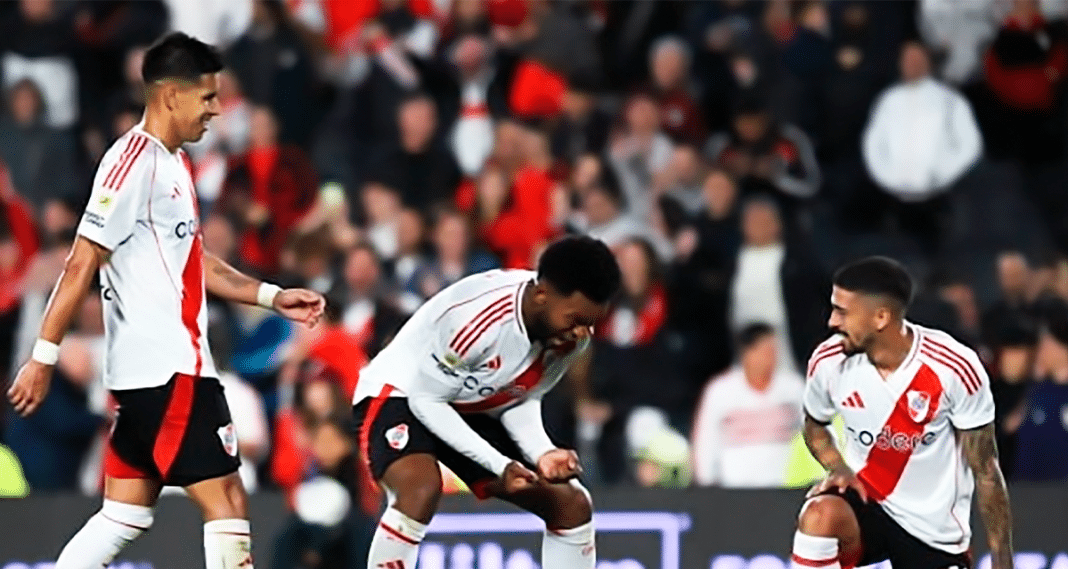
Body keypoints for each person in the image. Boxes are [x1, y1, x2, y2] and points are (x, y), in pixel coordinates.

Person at [6, 32, 324, 569]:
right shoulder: (132, 163)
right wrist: (43, 357)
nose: (217, 110)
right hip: (170, 371)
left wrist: (270, 295)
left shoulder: (173, 164)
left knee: (123, 514)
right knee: (227, 499)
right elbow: (81, 261)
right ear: (171, 95)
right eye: (206, 97)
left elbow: (193, 260)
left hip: (152, 375)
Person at [352, 235, 621, 569]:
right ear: (541, 295)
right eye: (575, 320)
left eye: (590, 324)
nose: (582, 334)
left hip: (468, 402)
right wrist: (498, 465)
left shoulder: (568, 339)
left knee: (572, 504)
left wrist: (543, 453)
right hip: (403, 392)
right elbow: (427, 401)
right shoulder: (476, 319)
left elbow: (520, 397)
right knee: (420, 489)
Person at [793, 256, 1013, 569]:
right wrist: (837, 466)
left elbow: (986, 470)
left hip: (933, 531)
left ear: (881, 317)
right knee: (819, 515)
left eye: (843, 312)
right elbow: (815, 425)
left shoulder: (953, 368)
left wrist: (1002, 561)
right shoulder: (828, 362)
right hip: (868, 504)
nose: (832, 322)